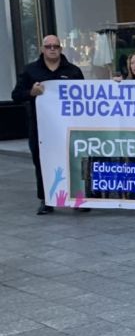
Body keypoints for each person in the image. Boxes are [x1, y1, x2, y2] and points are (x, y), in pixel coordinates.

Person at [11, 35, 85, 215]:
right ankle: (46, 200)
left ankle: (77, 197)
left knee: (73, 160)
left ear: (61, 49)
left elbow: (85, 95)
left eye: (56, 46)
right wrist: (31, 92)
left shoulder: (74, 71)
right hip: (40, 126)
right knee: (42, 162)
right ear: (42, 49)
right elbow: (16, 95)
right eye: (48, 46)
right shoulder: (30, 71)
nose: (52, 49)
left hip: (68, 126)